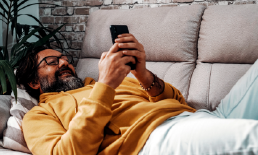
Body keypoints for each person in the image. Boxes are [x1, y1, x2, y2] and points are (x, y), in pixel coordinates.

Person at [17, 34, 258, 155]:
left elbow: (178, 103)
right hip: (155, 137)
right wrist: (106, 86)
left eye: (65, 59)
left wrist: (143, 74)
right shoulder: (40, 114)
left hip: (206, 117)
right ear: (33, 81)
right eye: (51, 61)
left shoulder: (106, 82)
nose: (64, 63)